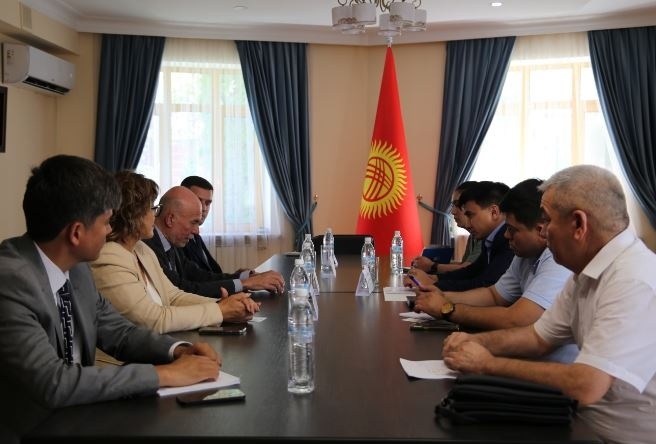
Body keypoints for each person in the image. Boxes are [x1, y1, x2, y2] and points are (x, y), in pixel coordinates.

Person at [0, 155, 221, 443]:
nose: (109, 231)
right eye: (105, 222)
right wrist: (166, 375)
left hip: (80, 414)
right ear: (77, 233)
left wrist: (178, 351)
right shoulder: (10, 281)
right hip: (31, 430)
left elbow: (119, 332)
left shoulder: (77, 268)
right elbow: (53, 382)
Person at [442, 165, 656, 444]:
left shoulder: (633, 278)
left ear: (578, 224)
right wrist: (476, 342)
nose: (543, 232)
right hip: (579, 422)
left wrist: (487, 364)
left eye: (547, 220)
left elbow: (586, 385)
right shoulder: (585, 272)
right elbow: (537, 338)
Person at [412, 179, 577, 362]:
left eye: (512, 230)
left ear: (540, 230)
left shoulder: (558, 259)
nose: (506, 235)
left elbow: (516, 319)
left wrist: (447, 309)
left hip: (554, 369)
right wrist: (442, 296)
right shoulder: (524, 254)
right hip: (528, 359)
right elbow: (493, 295)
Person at [91, 171, 259, 334]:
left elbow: (173, 296)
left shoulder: (142, 249)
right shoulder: (108, 257)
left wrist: (223, 304)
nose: (156, 215)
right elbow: (154, 320)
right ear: (133, 214)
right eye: (152, 208)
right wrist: (220, 311)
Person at [143, 186, 285, 298]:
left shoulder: (170, 241)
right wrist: (245, 283)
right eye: (193, 223)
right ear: (170, 219)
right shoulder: (149, 246)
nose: (196, 231)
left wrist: (248, 277)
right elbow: (182, 289)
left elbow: (201, 276)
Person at [409, 181, 514, 292]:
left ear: (494, 212)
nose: (468, 224)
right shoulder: (489, 238)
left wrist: (435, 284)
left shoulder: (507, 240)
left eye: (470, 215)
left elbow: (485, 284)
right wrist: (434, 279)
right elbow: (471, 271)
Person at [411, 181, 482, 274]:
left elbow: (468, 269)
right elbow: (463, 265)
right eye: (453, 205)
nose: (452, 212)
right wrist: (429, 264)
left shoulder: (484, 235)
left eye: (458, 205)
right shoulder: (472, 235)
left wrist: (432, 266)